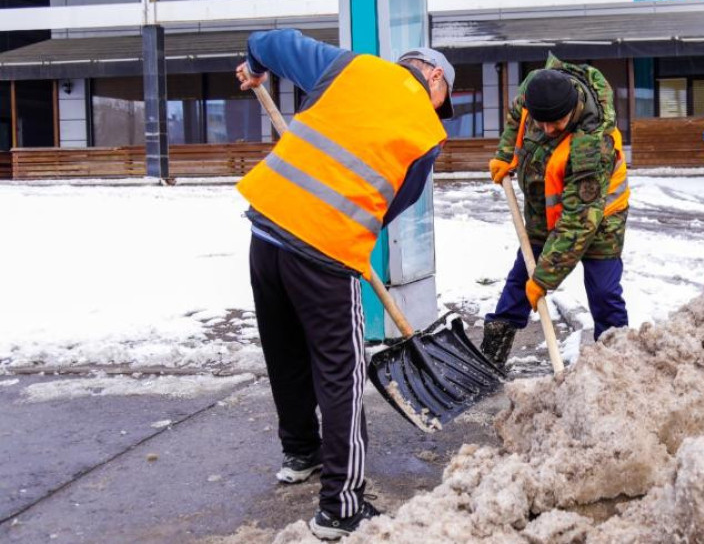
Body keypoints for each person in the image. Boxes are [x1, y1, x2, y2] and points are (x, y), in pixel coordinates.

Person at [234, 29, 454, 540]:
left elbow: (268, 40)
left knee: (284, 350)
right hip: (325, 251)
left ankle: (301, 453)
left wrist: (254, 65)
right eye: (442, 103)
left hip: (266, 228)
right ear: (436, 78)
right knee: (341, 371)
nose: (439, 112)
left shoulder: (350, 67)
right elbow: (391, 206)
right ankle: (341, 505)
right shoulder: (427, 133)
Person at [480, 55, 631, 368]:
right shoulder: (536, 87)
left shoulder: (592, 146)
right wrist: (505, 154)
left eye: (556, 123)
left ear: (573, 109)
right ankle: (490, 357)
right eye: (541, 123)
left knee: (604, 292)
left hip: (599, 216)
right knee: (521, 277)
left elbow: (578, 223)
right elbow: (515, 116)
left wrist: (545, 279)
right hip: (543, 203)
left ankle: (618, 365)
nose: (547, 129)